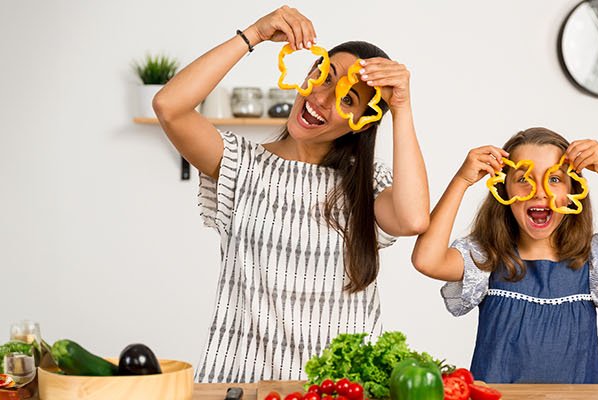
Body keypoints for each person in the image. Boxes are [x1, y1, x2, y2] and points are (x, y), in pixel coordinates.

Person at [151, 5, 431, 382]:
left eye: (348, 99)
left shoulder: (366, 187)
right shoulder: (240, 164)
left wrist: (402, 106)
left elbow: (414, 219)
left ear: (361, 123)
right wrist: (253, 34)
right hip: (241, 382)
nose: (322, 98)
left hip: (337, 390)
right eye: (324, 76)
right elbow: (169, 106)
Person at [410, 127, 598, 383]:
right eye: (523, 179)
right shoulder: (486, 258)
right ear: (503, 190)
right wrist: (461, 180)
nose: (539, 191)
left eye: (554, 179)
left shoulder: (597, 259)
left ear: (572, 192)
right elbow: (427, 260)